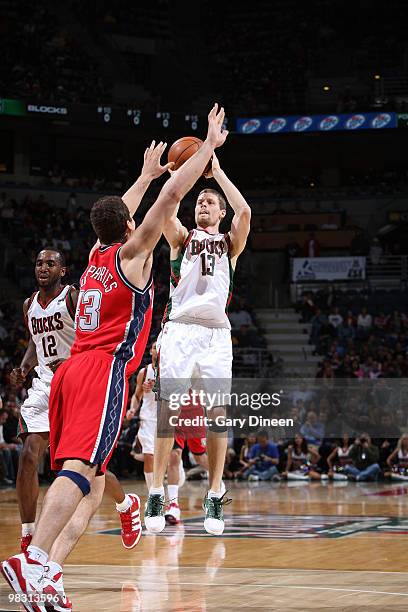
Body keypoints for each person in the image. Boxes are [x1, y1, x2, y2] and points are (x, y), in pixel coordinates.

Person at [2, 103, 228, 606]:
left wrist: (144, 174)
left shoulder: (94, 257)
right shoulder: (131, 254)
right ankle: (33, 558)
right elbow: (172, 198)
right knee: (79, 472)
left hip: (67, 372)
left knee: (90, 479)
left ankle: (49, 576)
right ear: (131, 227)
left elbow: (120, 211)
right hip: (101, 370)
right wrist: (207, 148)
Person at [145, 143, 251, 536]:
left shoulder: (231, 244)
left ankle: (215, 491)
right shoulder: (181, 239)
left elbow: (245, 212)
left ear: (220, 213)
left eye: (210, 202)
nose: (203, 204)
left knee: (217, 414)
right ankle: (156, 490)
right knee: (168, 410)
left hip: (216, 334)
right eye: (201, 201)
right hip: (180, 328)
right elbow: (166, 206)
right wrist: (184, 174)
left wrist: (217, 172)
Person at [9, 248, 77, 552]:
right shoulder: (29, 305)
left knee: (83, 466)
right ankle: (28, 533)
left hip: (75, 380)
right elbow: (36, 345)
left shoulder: (73, 297)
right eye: (39, 263)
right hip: (44, 383)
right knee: (28, 455)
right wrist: (24, 368)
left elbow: (92, 335)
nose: (43, 267)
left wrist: (78, 362)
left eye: (51, 263)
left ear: (62, 271)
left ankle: (124, 503)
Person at [131, 341, 158, 490]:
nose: (157, 349)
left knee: (168, 457)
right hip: (148, 417)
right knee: (149, 454)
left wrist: (159, 387)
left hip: (167, 418)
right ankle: (153, 494)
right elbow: (136, 396)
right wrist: (132, 409)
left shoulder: (171, 370)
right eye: (154, 347)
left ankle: (175, 473)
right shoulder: (144, 372)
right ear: (150, 351)